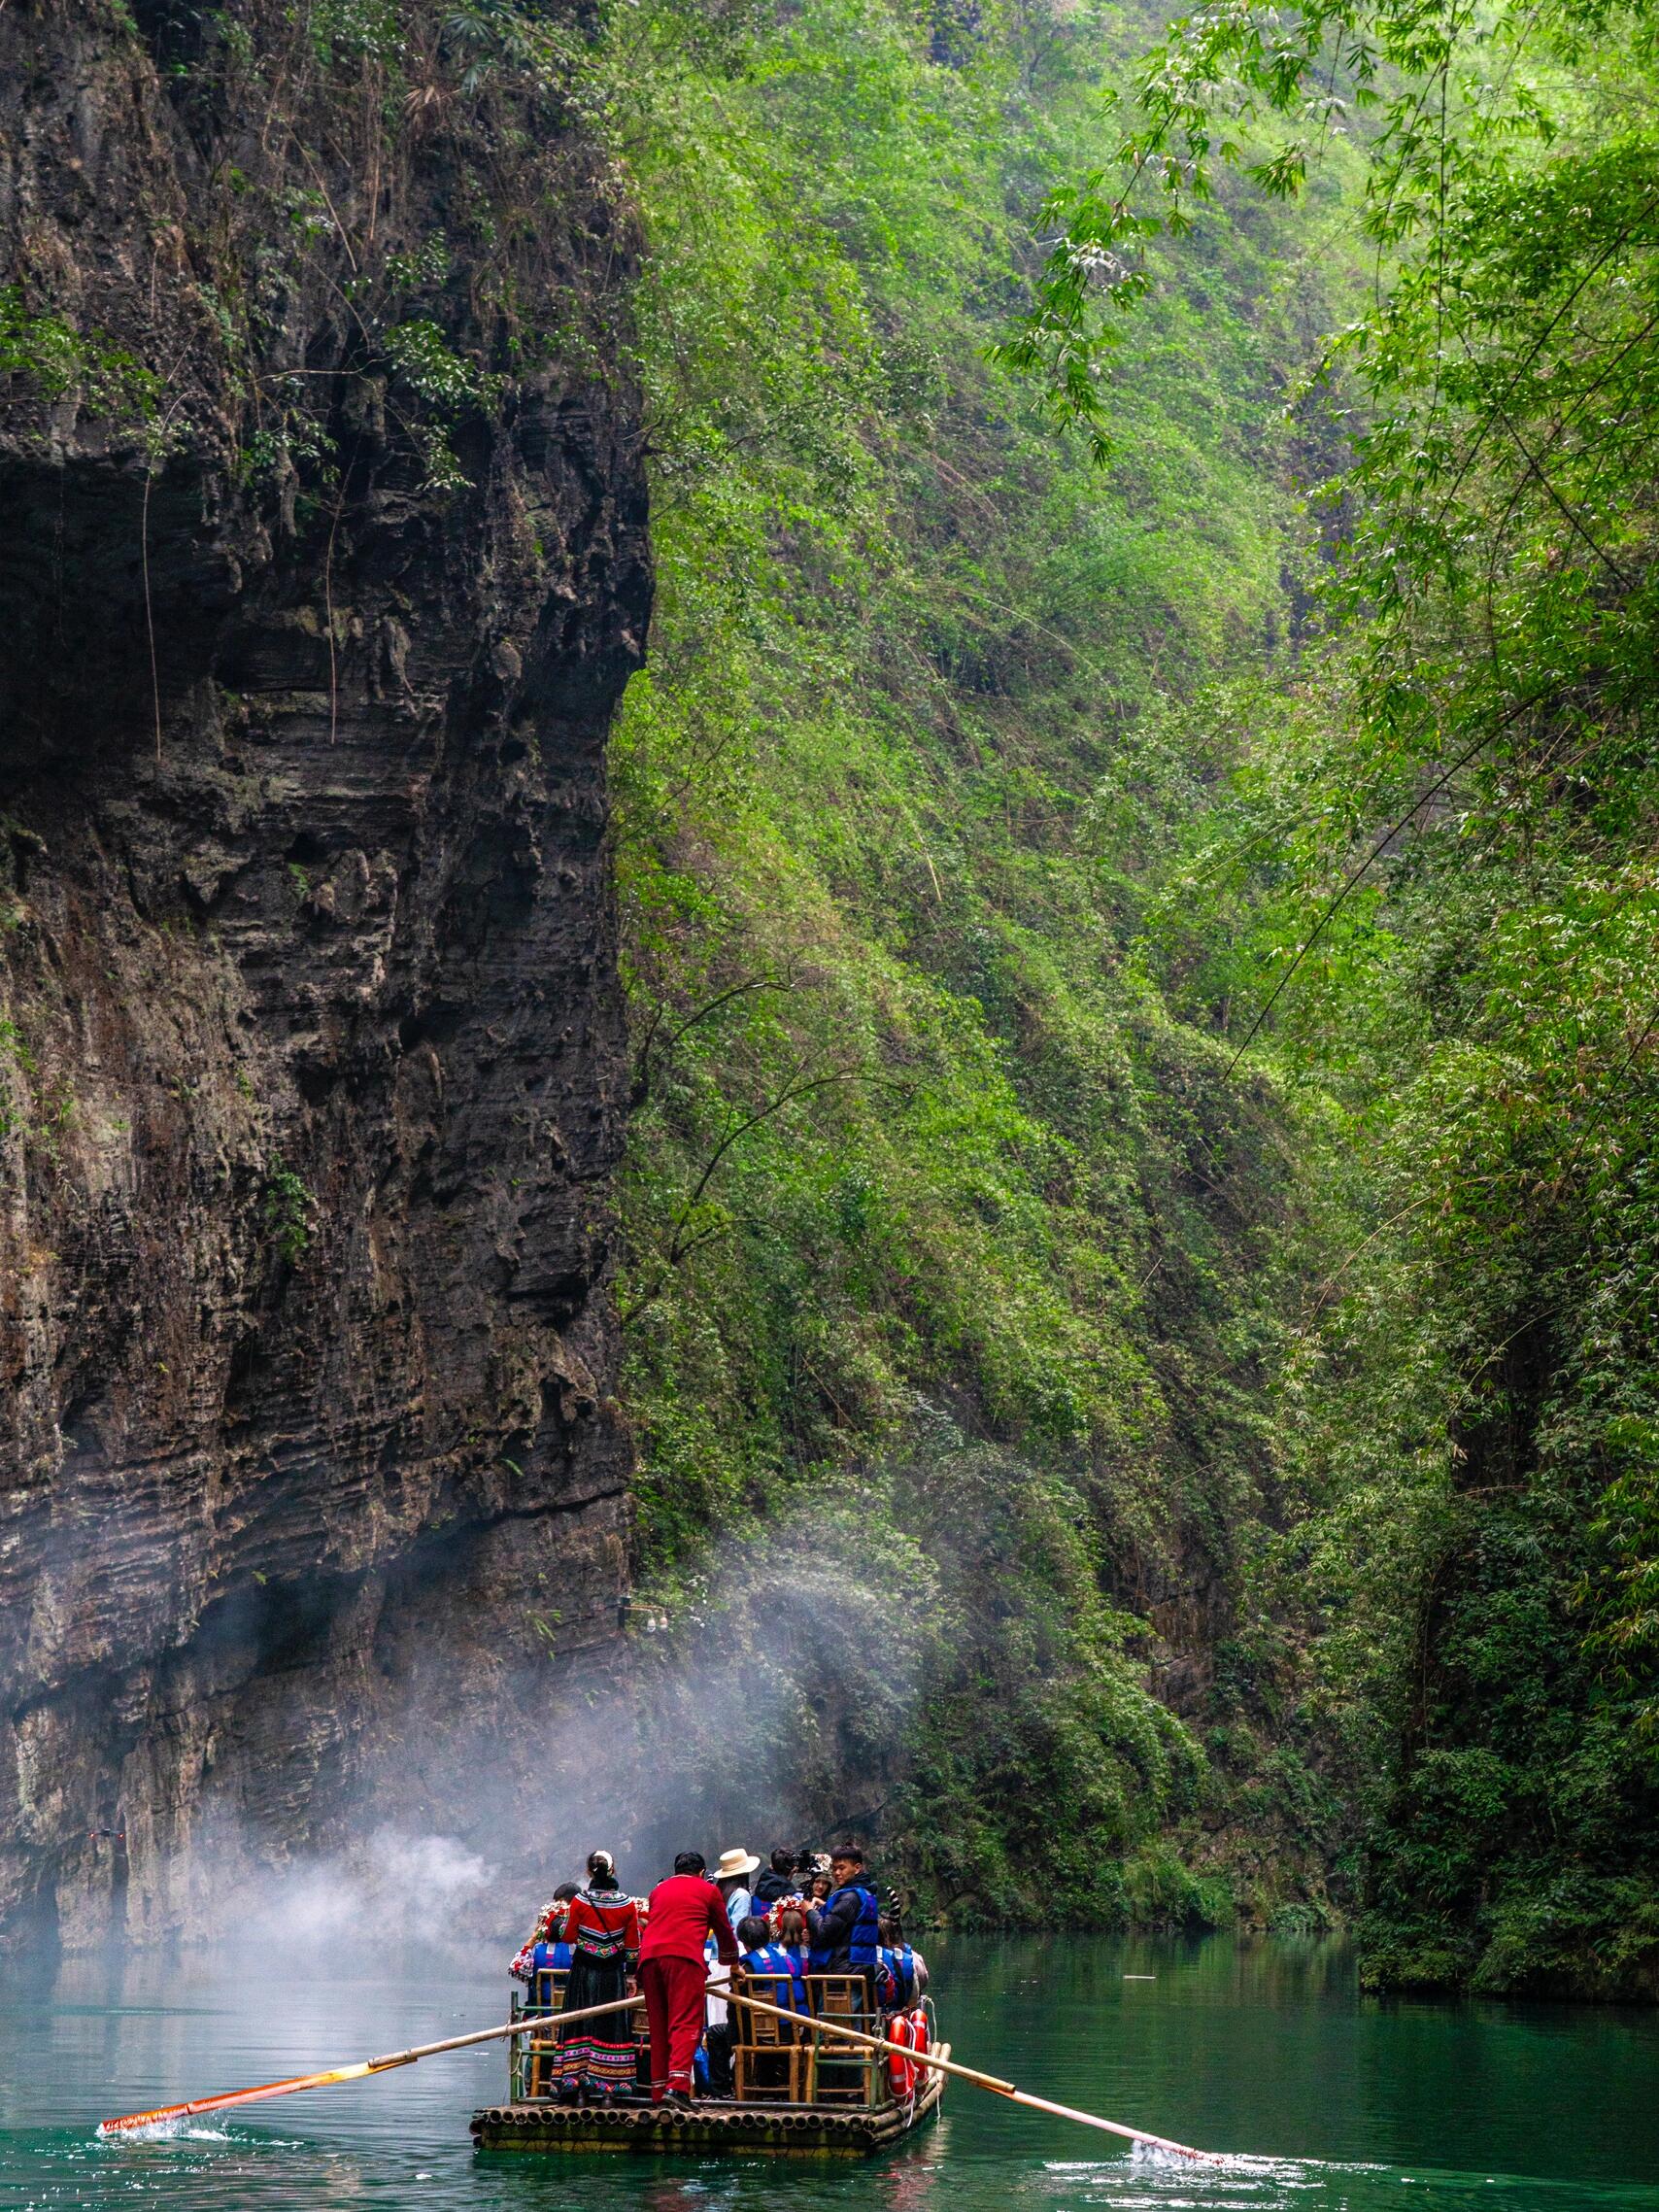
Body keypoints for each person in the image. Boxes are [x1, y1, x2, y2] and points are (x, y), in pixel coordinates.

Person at [639, 1850, 742, 2106]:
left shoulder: (658, 1891)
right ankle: (678, 2087)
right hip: (684, 1959)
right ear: (701, 1873)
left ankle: (658, 2091)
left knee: (659, 2026)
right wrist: (732, 1962)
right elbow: (724, 1930)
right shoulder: (708, 1891)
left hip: (649, 1960)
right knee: (685, 2023)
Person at [554, 1851, 641, 2103]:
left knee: (580, 2021)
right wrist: (631, 1977)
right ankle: (609, 2091)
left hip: (583, 1972)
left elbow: (568, 1937)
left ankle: (578, 2089)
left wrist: (559, 1924)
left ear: (589, 1872)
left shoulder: (580, 1902)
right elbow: (633, 1946)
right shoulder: (627, 1904)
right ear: (613, 1871)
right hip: (612, 1973)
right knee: (610, 2025)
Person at [807, 1843, 881, 1995]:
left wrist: (809, 1911)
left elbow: (824, 1931)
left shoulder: (849, 1898)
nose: (837, 1873)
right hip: (858, 1968)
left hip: (843, 1973)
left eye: (842, 1868)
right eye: (834, 1869)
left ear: (857, 1868)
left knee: (834, 2018)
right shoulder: (865, 1893)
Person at [737, 1913, 810, 2019]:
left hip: (769, 2027)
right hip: (801, 2023)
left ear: (744, 1942)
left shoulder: (749, 1967)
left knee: (715, 2030)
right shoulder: (790, 1958)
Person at [509, 1882, 579, 1985]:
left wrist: (532, 1939)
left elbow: (515, 1967)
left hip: (544, 2000)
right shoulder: (580, 1952)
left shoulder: (537, 1951)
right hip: (573, 2000)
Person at [876, 1913, 930, 2012]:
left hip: (871, 2012)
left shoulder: (861, 1958)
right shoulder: (909, 1958)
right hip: (899, 2010)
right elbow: (922, 1982)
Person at [714, 1845, 760, 1932]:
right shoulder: (742, 1895)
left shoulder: (720, 1891)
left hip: (718, 1944)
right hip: (733, 1945)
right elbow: (738, 1928)